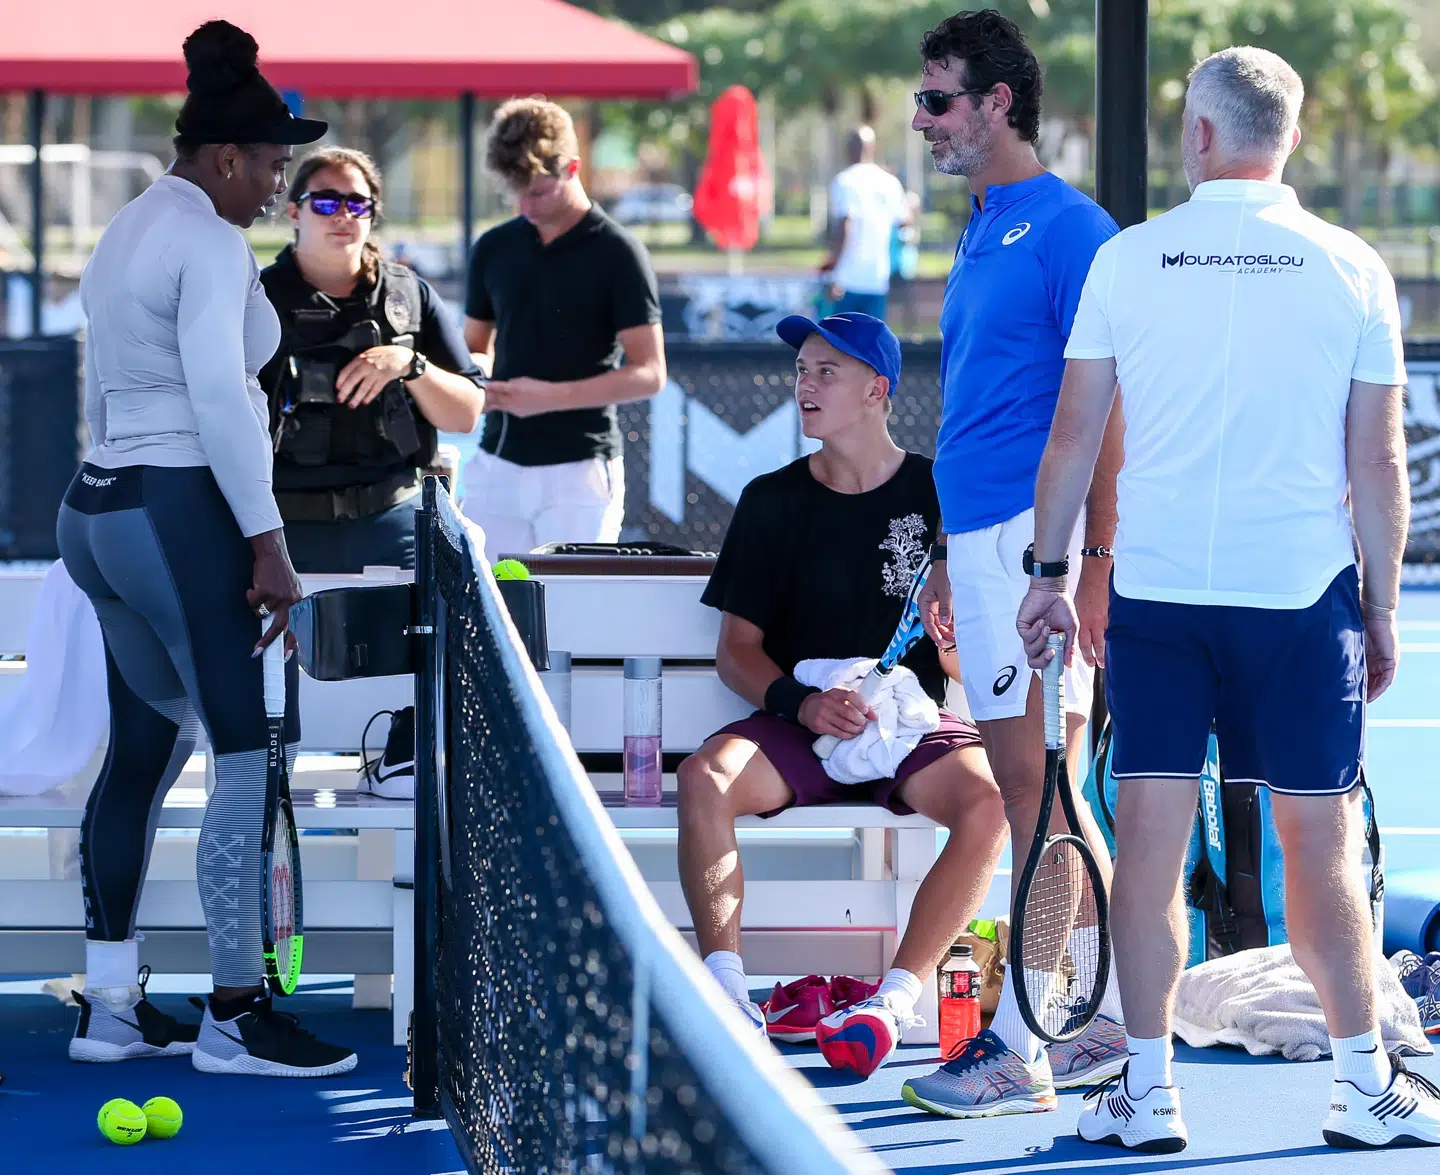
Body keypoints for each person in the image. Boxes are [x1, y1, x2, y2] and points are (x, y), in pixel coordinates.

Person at [1018, 46, 1440, 1152]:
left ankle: (1149, 1091)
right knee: (1321, 843)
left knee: (1151, 843)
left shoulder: (1127, 260)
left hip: (1158, 597)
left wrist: (1050, 575)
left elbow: (1072, 438)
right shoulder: (1354, 265)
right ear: (1291, 137)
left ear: (1198, 136)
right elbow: (1379, 461)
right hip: (1302, 599)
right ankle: (1364, 1085)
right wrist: (1382, 610)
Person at [56, 20, 356, 1077]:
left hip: (98, 510)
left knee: (144, 754)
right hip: (171, 514)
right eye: (271, 165)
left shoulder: (131, 223)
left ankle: (109, 1006)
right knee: (241, 755)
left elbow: (111, 390)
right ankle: (235, 1014)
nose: (277, 187)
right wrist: (267, 542)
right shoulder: (212, 242)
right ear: (225, 156)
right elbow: (222, 398)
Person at [900, 9, 1128, 1117]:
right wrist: (948, 551)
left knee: (1046, 789)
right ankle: (1096, 1022)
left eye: (938, 98)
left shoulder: (1074, 229)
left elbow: (1112, 410)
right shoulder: (985, 224)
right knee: (1040, 788)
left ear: (999, 103)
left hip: (1043, 550)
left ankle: (1025, 1043)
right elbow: (979, 407)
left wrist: (1093, 565)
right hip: (987, 545)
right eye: (921, 99)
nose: (923, 120)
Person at [678, 311, 1007, 1079]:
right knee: (703, 778)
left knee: (990, 802)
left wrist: (950, 640)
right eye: (802, 370)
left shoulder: (941, 493)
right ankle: (729, 997)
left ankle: (891, 1003)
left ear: (876, 390)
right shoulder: (769, 499)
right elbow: (737, 651)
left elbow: (965, 660)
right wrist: (802, 704)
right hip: (800, 727)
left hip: (911, 726)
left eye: (827, 369)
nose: (806, 383)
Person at [260, 147, 485, 574]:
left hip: (394, 529)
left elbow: (466, 415)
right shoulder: (257, 299)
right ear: (294, 212)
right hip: (285, 533)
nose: (344, 215)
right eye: (326, 203)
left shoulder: (409, 295)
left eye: (358, 204)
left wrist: (409, 364)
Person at [460, 98, 666, 555]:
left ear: (572, 167)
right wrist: (477, 382)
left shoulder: (618, 252)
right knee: (484, 596)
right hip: (496, 461)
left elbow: (650, 373)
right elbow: (475, 346)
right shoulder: (493, 247)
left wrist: (550, 397)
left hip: (580, 469)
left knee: (572, 598)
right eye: (515, 192)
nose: (525, 206)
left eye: (537, 192)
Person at [818, 127, 912, 322]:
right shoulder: (890, 182)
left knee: (840, 337)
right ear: (873, 147)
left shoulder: (844, 181)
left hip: (846, 281)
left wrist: (834, 270)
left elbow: (845, 227)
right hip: (877, 278)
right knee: (870, 338)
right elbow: (904, 222)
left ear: (848, 149)